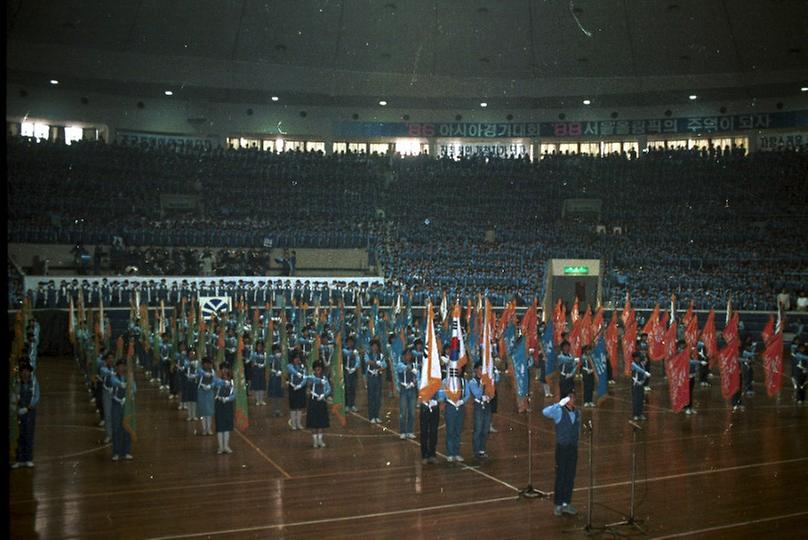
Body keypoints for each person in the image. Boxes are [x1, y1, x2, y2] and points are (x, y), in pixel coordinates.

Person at [543, 391, 581, 517]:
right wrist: (558, 405)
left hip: (572, 448)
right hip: (562, 448)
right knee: (561, 476)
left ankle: (567, 503)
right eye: (569, 397)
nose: (571, 399)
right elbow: (545, 412)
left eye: (573, 397)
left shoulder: (577, 412)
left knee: (570, 476)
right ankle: (558, 504)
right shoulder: (559, 411)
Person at [440, 354, 469, 463]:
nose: (458, 369)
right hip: (450, 407)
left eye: (460, 368)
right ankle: (450, 453)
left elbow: (467, 394)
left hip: (460, 407)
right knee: (450, 430)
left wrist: (462, 401)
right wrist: (444, 401)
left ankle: (456, 452)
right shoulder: (446, 382)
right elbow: (442, 393)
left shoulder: (463, 382)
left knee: (458, 430)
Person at [12, 362, 40, 468]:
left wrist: (27, 408)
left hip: (30, 414)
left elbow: (36, 398)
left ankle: (28, 458)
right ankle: (19, 459)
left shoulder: (34, 384)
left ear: (30, 372)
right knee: (19, 435)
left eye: (26, 371)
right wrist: (17, 409)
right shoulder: (17, 384)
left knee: (28, 435)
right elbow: (13, 397)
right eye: (22, 371)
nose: (24, 373)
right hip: (18, 413)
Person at [110, 359, 136, 461]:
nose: (121, 368)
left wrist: (132, 390)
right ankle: (116, 452)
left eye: (123, 366)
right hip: (116, 404)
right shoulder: (113, 376)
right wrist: (124, 385)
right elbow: (115, 383)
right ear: (116, 367)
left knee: (127, 428)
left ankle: (126, 451)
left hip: (126, 405)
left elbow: (134, 388)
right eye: (119, 366)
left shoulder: (128, 377)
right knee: (116, 428)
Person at [469, 361, 493, 459]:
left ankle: (482, 449)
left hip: (487, 405)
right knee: (478, 429)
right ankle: (476, 450)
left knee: (485, 429)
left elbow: (492, 388)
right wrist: (482, 384)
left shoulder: (486, 380)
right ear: (475, 370)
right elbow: (477, 394)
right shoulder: (472, 382)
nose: (481, 372)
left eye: (482, 370)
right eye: (479, 369)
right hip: (478, 406)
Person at [305, 361, 332, 448]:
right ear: (314, 369)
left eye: (320, 367)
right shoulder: (311, 378)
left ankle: (320, 440)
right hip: (313, 402)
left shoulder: (324, 378)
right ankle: (315, 441)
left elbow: (329, 389)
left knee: (321, 422)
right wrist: (308, 390)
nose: (318, 369)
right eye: (317, 367)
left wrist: (324, 395)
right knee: (313, 422)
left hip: (322, 402)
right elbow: (308, 390)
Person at [396, 348, 418, 439]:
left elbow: (418, 377)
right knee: (403, 412)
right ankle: (402, 431)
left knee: (412, 412)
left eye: (410, 355)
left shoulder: (414, 365)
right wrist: (411, 369)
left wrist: (414, 382)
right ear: (403, 356)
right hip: (404, 389)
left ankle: (410, 431)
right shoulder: (400, 364)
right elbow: (403, 368)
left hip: (412, 389)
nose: (408, 356)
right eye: (407, 355)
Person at [213, 363, 235, 455]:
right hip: (219, 404)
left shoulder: (232, 381)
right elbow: (213, 386)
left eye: (226, 369)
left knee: (227, 425)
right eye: (223, 369)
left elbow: (234, 394)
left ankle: (226, 446)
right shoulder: (217, 380)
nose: (225, 371)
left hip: (228, 405)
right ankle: (220, 447)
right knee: (220, 426)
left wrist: (227, 399)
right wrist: (222, 382)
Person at [365, 339, 387, 423]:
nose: (374, 348)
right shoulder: (368, 354)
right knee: (371, 397)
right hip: (370, 377)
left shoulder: (381, 355)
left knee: (378, 397)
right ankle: (371, 416)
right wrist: (377, 363)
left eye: (376, 346)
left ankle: (377, 415)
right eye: (373, 346)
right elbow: (367, 361)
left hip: (378, 377)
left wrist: (379, 369)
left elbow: (384, 365)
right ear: (371, 347)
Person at [419, 387, 443, 465]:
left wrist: (440, 398)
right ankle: (424, 456)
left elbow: (440, 387)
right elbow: (420, 385)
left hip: (435, 406)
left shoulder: (437, 375)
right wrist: (423, 397)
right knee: (424, 432)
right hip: (425, 405)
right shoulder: (424, 376)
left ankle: (432, 454)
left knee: (433, 432)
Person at [287, 352, 308, 430]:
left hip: (300, 388)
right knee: (293, 406)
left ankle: (299, 423)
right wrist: (297, 373)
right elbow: (290, 370)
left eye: (298, 358)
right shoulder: (290, 366)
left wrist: (300, 385)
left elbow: (305, 378)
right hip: (292, 387)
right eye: (295, 358)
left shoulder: (303, 367)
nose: (297, 359)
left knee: (299, 407)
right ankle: (293, 424)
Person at [197, 357, 216, 436]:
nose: (208, 365)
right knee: (203, 412)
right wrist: (203, 385)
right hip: (201, 392)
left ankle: (209, 428)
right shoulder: (200, 371)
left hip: (209, 393)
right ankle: (204, 429)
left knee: (209, 412)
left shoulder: (213, 372)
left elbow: (215, 382)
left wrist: (210, 386)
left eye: (209, 363)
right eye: (206, 363)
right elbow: (199, 377)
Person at [99, 352, 116, 443]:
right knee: (108, 415)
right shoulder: (103, 369)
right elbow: (107, 373)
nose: (110, 360)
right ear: (105, 360)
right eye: (108, 358)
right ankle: (109, 435)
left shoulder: (115, 369)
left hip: (115, 394)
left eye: (112, 358)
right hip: (107, 394)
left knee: (116, 415)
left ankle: (115, 434)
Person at [342, 336, 361, 412]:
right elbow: (347, 354)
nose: (350, 343)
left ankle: (352, 404)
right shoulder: (344, 350)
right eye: (348, 342)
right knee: (346, 389)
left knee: (353, 388)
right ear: (346, 343)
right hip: (346, 371)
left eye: (351, 342)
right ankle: (346, 405)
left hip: (353, 372)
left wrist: (355, 368)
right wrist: (353, 352)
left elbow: (358, 361)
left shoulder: (355, 351)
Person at [630, 352, 650, 421]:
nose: (638, 358)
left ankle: (640, 414)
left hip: (641, 385)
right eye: (637, 357)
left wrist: (644, 379)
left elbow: (643, 370)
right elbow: (638, 369)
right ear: (634, 358)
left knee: (641, 400)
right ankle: (635, 414)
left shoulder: (641, 364)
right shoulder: (633, 364)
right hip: (635, 385)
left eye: (639, 357)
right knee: (636, 400)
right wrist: (644, 373)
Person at [268, 344, 285, 417]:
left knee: (280, 395)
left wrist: (282, 372)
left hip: (280, 379)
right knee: (274, 396)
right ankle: (274, 411)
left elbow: (284, 367)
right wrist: (275, 372)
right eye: (276, 351)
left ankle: (279, 410)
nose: (278, 352)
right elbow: (270, 368)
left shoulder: (282, 359)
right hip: (273, 379)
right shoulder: (271, 358)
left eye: (279, 351)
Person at [183, 350, 200, 422]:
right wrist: (187, 375)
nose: (192, 356)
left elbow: (200, 372)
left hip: (195, 383)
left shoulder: (198, 363)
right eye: (190, 354)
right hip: (188, 382)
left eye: (193, 354)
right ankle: (190, 415)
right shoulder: (186, 362)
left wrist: (196, 375)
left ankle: (194, 415)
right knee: (189, 399)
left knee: (194, 399)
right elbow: (184, 371)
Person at [250, 340, 267, 406]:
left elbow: (265, 362)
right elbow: (252, 362)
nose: (259, 347)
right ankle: (257, 400)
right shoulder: (254, 354)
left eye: (261, 346)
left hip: (262, 371)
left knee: (262, 386)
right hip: (256, 371)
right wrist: (257, 364)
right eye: (258, 346)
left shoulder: (264, 354)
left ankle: (262, 400)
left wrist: (263, 365)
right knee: (257, 386)